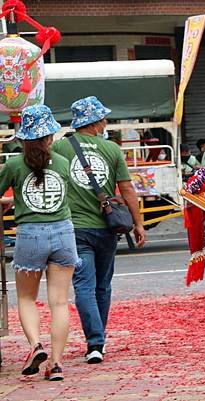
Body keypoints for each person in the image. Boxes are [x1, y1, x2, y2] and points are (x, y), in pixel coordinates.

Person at [52, 96, 146, 364]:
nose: (106, 122)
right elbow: (127, 189)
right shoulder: (112, 149)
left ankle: (95, 342)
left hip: (74, 228)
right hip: (107, 227)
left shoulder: (60, 147)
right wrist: (138, 223)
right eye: (103, 119)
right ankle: (97, 341)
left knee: (84, 284)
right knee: (102, 285)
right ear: (94, 122)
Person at [0, 105, 77, 381]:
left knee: (26, 298)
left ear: (23, 138)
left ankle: (35, 345)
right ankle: (56, 364)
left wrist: (10, 202)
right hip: (64, 233)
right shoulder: (64, 163)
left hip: (30, 234)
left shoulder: (13, 165)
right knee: (59, 302)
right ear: (50, 137)